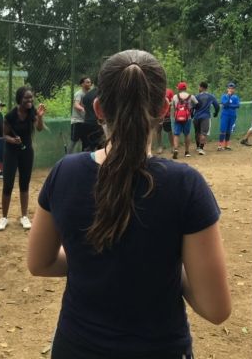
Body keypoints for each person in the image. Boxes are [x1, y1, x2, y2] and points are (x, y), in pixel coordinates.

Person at [26, 49, 230, 359]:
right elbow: (215, 309)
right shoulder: (185, 185)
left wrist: (87, 255)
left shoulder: (64, 173)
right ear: (163, 108)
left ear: (98, 109)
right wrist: (164, 267)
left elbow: (39, 263)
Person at [0, 85, 46, 231]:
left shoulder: (33, 114)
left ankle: (24, 216)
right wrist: (13, 140)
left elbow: (39, 128)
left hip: (26, 152)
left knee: (24, 184)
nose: (29, 100)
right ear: (20, 99)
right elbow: (4, 135)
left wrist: (40, 117)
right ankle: (4, 217)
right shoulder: (10, 116)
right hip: (11, 152)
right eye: (26, 98)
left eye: (31, 98)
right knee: (8, 185)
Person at [192, 81, 220, 156]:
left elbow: (192, 107)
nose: (198, 88)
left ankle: (198, 147)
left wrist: (192, 115)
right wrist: (216, 113)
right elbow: (217, 106)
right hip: (205, 117)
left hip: (196, 116)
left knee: (197, 132)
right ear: (206, 88)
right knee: (203, 132)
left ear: (201, 87)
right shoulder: (211, 96)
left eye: (199, 87)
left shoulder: (196, 96)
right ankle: (201, 148)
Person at [170, 81, 194, 159]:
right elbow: (197, 104)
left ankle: (176, 149)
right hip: (188, 118)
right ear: (186, 88)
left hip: (177, 118)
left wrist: (173, 116)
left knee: (176, 134)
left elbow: (173, 107)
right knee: (186, 134)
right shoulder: (191, 96)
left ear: (179, 88)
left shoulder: (175, 97)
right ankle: (187, 151)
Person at [69, 77, 92, 154]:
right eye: (87, 82)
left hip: (85, 122)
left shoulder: (89, 94)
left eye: (90, 82)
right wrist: (84, 110)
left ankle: (83, 159)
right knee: (73, 141)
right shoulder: (79, 94)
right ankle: (66, 159)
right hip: (77, 121)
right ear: (82, 84)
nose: (89, 84)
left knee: (86, 142)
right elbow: (76, 105)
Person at [80, 80, 103, 152]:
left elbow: (84, 107)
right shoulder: (101, 94)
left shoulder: (87, 95)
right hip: (97, 123)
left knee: (87, 146)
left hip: (86, 122)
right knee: (100, 147)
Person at [218, 81, 241, 150]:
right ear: (227, 89)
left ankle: (226, 145)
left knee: (229, 131)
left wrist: (229, 105)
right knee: (223, 130)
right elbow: (225, 104)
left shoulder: (236, 97)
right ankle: (220, 145)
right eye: (229, 88)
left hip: (232, 115)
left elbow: (238, 105)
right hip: (225, 115)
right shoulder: (224, 96)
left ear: (234, 89)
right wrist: (228, 97)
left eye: (232, 88)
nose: (231, 89)